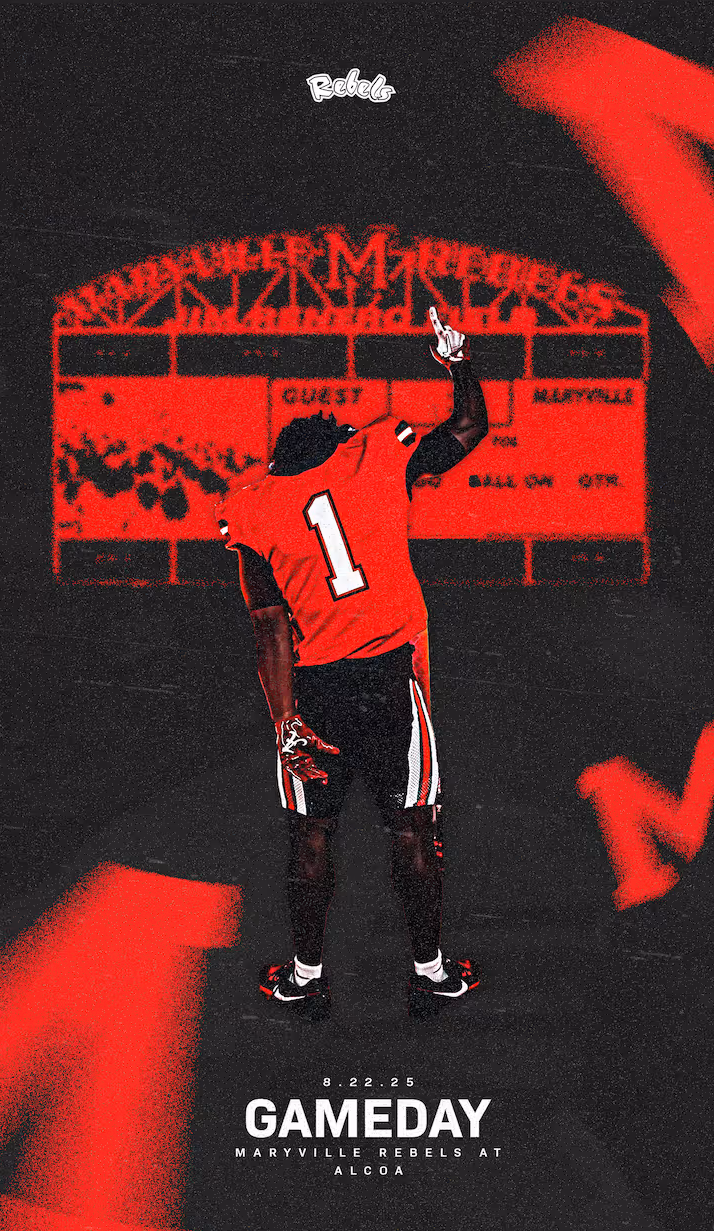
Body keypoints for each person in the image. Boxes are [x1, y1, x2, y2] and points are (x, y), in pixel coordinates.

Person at [216, 308, 488, 1019]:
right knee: (412, 828)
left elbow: (269, 628)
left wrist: (285, 725)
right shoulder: (373, 454)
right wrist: (458, 363)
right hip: (390, 678)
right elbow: (466, 431)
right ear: (335, 445)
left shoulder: (254, 508)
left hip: (314, 688)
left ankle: (306, 978)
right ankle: (430, 974)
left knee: (310, 834)